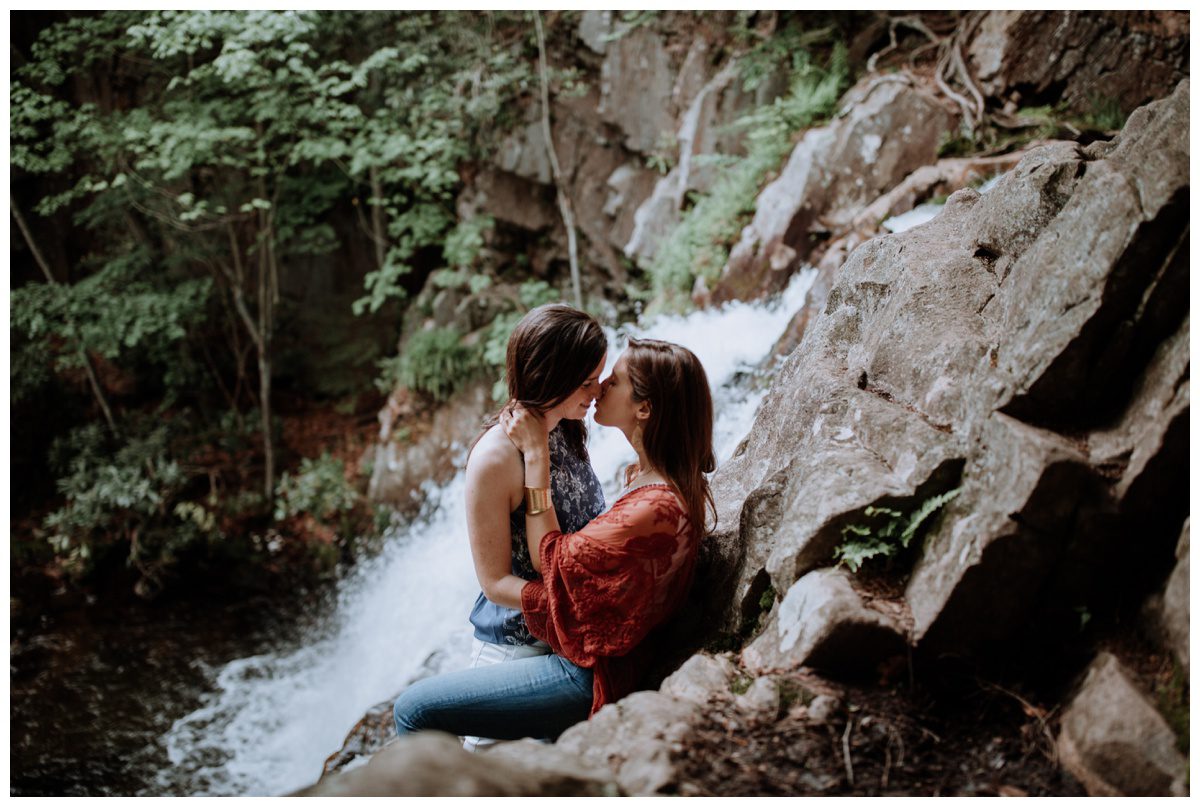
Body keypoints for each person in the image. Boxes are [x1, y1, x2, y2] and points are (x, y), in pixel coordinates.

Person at [393, 337, 715, 742]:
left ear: (644, 408)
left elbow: (552, 560)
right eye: (592, 380)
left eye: (610, 382)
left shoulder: (652, 505)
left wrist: (536, 457)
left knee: (413, 709)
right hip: (583, 654)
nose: (599, 389)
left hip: (588, 672)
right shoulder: (653, 477)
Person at [458, 303, 608, 750]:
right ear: (550, 378)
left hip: (569, 644)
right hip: (516, 652)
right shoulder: (495, 460)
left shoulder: (565, 427)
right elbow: (493, 583)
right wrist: (569, 600)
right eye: (586, 382)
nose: (598, 390)